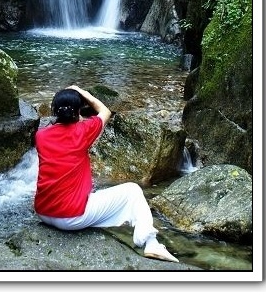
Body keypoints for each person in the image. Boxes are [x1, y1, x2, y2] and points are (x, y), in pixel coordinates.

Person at [33, 84, 179, 263]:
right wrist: (83, 92)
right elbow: (105, 111)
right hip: (71, 218)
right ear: (78, 111)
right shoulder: (83, 131)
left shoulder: (41, 136)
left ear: (54, 110)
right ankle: (151, 243)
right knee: (132, 190)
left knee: (91, 194)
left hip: (43, 212)